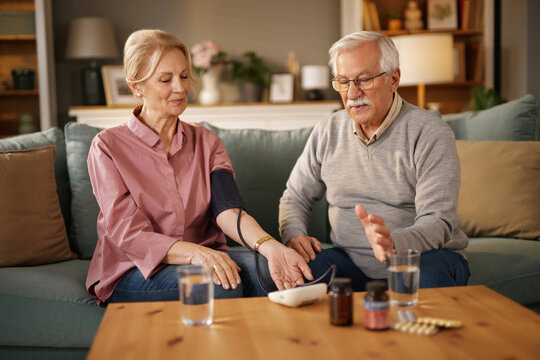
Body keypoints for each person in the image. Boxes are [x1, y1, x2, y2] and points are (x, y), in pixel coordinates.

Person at [86, 29, 312, 304]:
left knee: (270, 271)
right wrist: (195, 253)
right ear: (136, 86)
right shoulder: (107, 147)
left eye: (183, 76)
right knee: (216, 285)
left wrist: (271, 248)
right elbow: (130, 234)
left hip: (206, 256)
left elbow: (228, 211)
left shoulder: (207, 141)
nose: (180, 88)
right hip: (133, 269)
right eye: (166, 79)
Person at [279, 31, 470, 291]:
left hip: (422, 257)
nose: (352, 92)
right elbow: (295, 196)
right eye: (343, 81)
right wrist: (294, 235)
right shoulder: (328, 130)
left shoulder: (430, 133)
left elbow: (438, 221)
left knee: (427, 276)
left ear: (394, 79)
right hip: (348, 262)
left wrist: (394, 243)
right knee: (293, 273)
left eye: (364, 79)